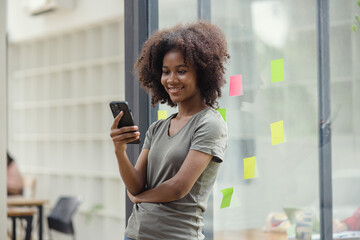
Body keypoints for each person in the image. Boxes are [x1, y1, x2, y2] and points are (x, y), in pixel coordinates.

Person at [110, 21, 230, 240]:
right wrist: (120, 151)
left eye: (181, 71)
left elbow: (177, 188)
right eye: (166, 72)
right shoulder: (158, 127)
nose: (172, 79)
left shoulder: (210, 124)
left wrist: (139, 198)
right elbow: (135, 183)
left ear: (201, 74)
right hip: (134, 234)